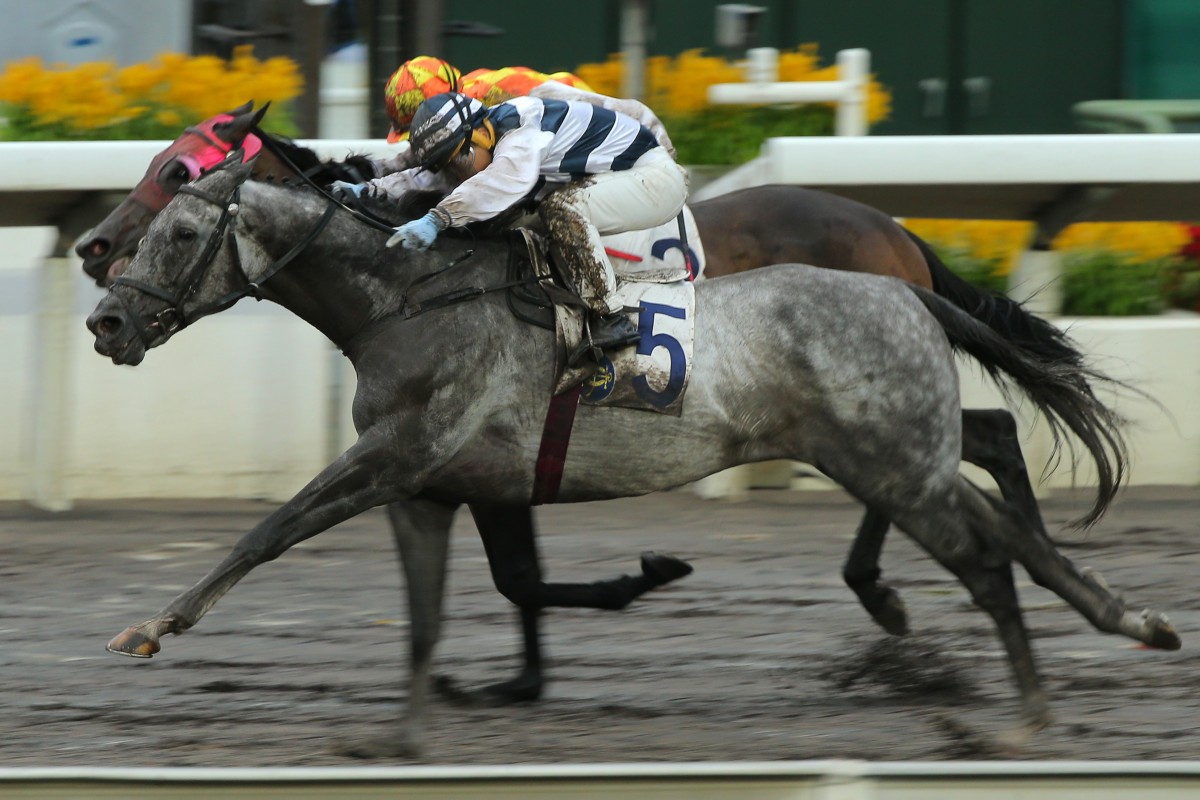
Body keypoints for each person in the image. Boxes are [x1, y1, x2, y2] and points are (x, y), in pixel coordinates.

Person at [385, 91, 689, 366]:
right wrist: (364, 190)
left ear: (479, 132)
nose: (458, 175)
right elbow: (423, 181)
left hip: (655, 178)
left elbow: (505, 180)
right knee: (516, 225)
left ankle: (612, 318)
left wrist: (438, 218)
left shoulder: (521, 127)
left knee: (559, 209)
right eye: (449, 167)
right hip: (623, 179)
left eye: (459, 162)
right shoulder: (490, 132)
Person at [339, 56, 676, 202]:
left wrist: (665, 161)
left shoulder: (510, 99)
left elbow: (632, 113)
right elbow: (418, 160)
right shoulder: (460, 105)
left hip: (596, 147)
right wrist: (367, 175)